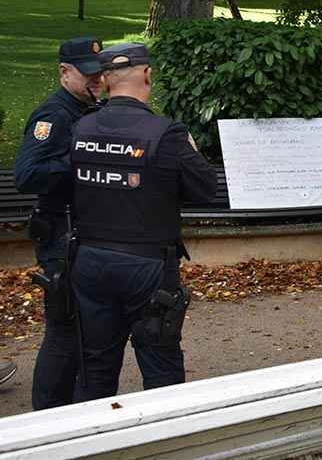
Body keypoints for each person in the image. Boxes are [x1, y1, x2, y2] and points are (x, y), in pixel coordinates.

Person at [70, 43, 217, 402]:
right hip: (147, 268)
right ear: (148, 75)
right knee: (160, 366)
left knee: (95, 367)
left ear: (105, 82)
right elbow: (205, 189)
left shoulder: (80, 128)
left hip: (89, 262)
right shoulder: (165, 133)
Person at [13, 36, 103, 410]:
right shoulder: (53, 115)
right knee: (64, 332)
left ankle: (74, 412)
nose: (97, 81)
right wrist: (82, 158)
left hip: (80, 236)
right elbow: (27, 174)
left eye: (100, 74)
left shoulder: (86, 109)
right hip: (59, 241)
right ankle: (47, 417)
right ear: (65, 72)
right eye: (89, 75)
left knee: (86, 332)